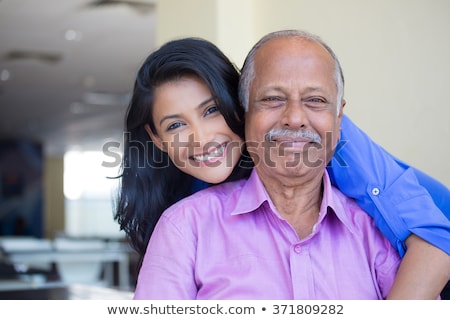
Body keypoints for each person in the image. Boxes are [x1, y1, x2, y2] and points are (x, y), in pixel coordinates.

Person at [114, 36, 450, 298]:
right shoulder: (187, 211)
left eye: (211, 110)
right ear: (156, 138)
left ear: (240, 105)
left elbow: (436, 237)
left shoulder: (324, 138)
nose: (200, 139)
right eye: (175, 126)